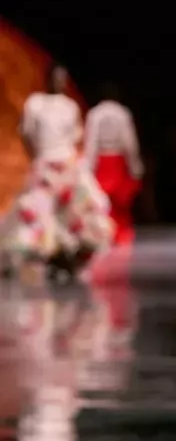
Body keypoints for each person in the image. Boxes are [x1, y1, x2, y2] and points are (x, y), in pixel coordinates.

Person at [1, 63, 113, 279]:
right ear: (47, 79)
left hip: (67, 164)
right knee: (40, 213)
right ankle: (46, 256)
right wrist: (37, 156)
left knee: (77, 212)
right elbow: (27, 132)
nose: (58, 82)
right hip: (45, 164)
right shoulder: (35, 104)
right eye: (55, 78)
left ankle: (69, 257)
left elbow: (75, 134)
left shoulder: (69, 106)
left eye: (62, 79)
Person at [84, 82, 144, 245]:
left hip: (102, 160)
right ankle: (119, 234)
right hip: (117, 160)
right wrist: (135, 165)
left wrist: (88, 166)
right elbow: (129, 142)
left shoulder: (95, 114)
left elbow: (91, 141)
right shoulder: (122, 113)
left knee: (102, 200)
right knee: (119, 202)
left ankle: (103, 233)